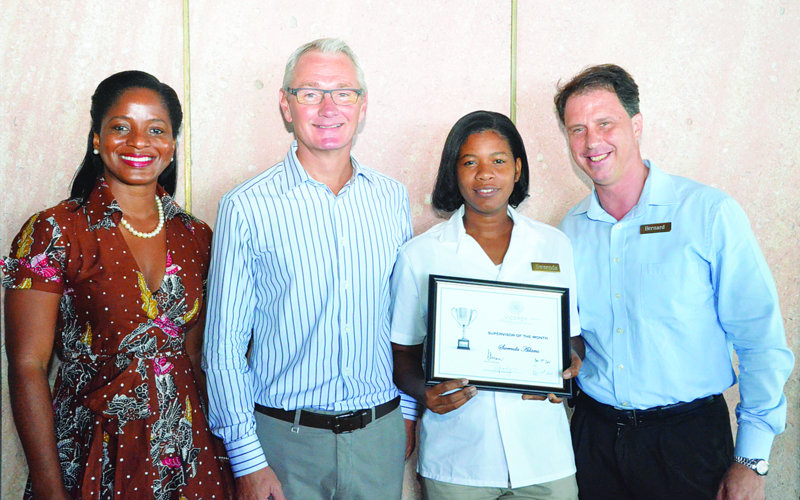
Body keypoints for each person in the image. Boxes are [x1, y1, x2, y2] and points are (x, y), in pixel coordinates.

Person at [553, 64, 794, 500]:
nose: (592, 142)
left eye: (605, 123)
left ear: (637, 124)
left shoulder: (708, 214)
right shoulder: (568, 231)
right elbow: (578, 335)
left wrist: (752, 458)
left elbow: (760, 340)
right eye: (577, 129)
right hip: (594, 442)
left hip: (689, 445)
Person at [2, 70, 234, 499]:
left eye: (156, 130)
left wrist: (232, 461)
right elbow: (27, 366)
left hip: (188, 454)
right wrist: (52, 489)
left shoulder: (198, 236)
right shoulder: (55, 231)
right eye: (121, 127)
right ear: (96, 137)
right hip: (92, 450)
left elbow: (198, 355)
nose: (138, 142)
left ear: (172, 145)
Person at [203, 38, 413, 500]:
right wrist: (247, 459)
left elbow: (406, 323)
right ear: (286, 104)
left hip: (378, 438)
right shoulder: (245, 207)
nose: (328, 106)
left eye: (343, 92)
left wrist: (410, 414)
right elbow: (222, 346)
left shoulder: (392, 200)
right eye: (310, 92)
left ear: (362, 106)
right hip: (282, 446)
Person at [391, 110, 582, 500]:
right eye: (469, 162)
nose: (485, 175)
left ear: (517, 168)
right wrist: (424, 394)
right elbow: (402, 354)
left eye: (497, 161)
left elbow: (572, 339)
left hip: (544, 456)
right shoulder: (421, 254)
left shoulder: (554, 246)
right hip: (459, 458)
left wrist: (570, 365)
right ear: (454, 172)